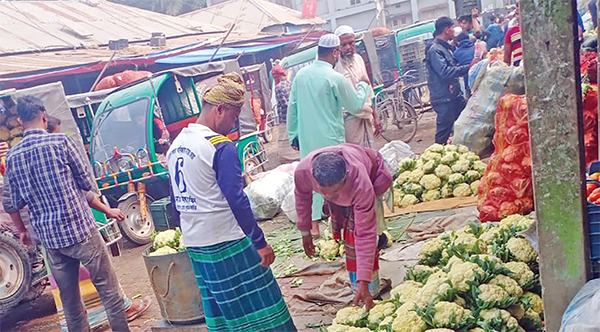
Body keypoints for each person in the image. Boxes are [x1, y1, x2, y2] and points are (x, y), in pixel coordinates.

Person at [166, 72, 296, 332]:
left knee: (222, 311)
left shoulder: (177, 144)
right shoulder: (219, 146)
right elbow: (237, 199)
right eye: (234, 118)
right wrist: (259, 242)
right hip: (226, 240)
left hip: (196, 243)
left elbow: (174, 202)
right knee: (261, 306)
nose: (234, 125)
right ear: (220, 110)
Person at [2, 96, 131, 332]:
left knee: (70, 302)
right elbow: (85, 183)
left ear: (20, 121)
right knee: (109, 292)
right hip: (81, 231)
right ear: (43, 116)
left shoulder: (13, 156)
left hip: (50, 241)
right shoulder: (61, 142)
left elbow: (10, 203)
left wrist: (22, 231)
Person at [287, 33, 370, 236]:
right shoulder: (335, 78)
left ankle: (313, 225)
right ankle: (340, 224)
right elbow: (355, 105)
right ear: (335, 52)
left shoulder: (300, 76)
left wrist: (293, 134)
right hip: (331, 138)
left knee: (311, 176)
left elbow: (293, 107)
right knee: (335, 179)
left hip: (307, 137)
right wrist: (363, 86)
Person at [294, 144, 393, 311]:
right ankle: (360, 286)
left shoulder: (360, 182)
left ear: (345, 178)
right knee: (349, 236)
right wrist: (305, 232)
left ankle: (370, 289)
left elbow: (365, 233)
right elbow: (302, 198)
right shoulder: (303, 171)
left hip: (375, 176)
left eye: (335, 193)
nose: (330, 197)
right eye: (325, 193)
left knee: (358, 237)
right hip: (348, 188)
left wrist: (364, 281)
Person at [426, 17, 480, 144]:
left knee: (468, 120)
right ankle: (435, 158)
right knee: (443, 134)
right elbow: (445, 72)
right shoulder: (435, 50)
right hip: (444, 99)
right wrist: (469, 67)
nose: (454, 32)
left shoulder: (445, 48)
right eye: (452, 28)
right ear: (446, 30)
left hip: (454, 97)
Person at [334, 25, 380, 148]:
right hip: (348, 120)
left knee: (369, 152)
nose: (348, 47)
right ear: (337, 47)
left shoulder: (359, 60)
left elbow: (368, 90)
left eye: (351, 43)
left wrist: (375, 116)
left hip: (366, 114)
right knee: (355, 154)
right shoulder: (335, 66)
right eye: (344, 45)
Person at [272, 65, 299, 163]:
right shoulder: (290, 83)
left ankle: (288, 158)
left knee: (285, 139)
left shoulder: (278, 87)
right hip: (295, 116)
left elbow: (284, 104)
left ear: (276, 76)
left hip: (285, 117)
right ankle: (298, 155)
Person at [453, 32, 476, 98]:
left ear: (458, 41)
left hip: (468, 81)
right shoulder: (475, 47)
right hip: (481, 78)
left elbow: (456, 68)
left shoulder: (456, 53)